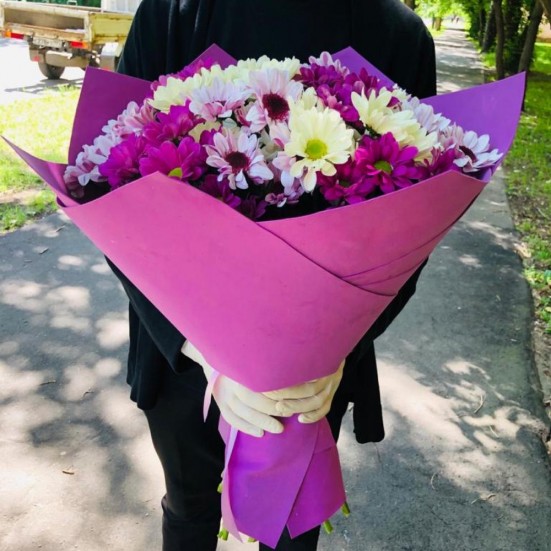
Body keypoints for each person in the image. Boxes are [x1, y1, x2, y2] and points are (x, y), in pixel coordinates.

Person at [108, 1, 437, 549]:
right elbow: (111, 188)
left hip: (315, 375)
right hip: (181, 356)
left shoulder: (399, 36)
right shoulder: (171, 15)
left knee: (291, 527)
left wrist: (337, 355)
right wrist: (203, 351)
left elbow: (418, 222)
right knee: (189, 509)